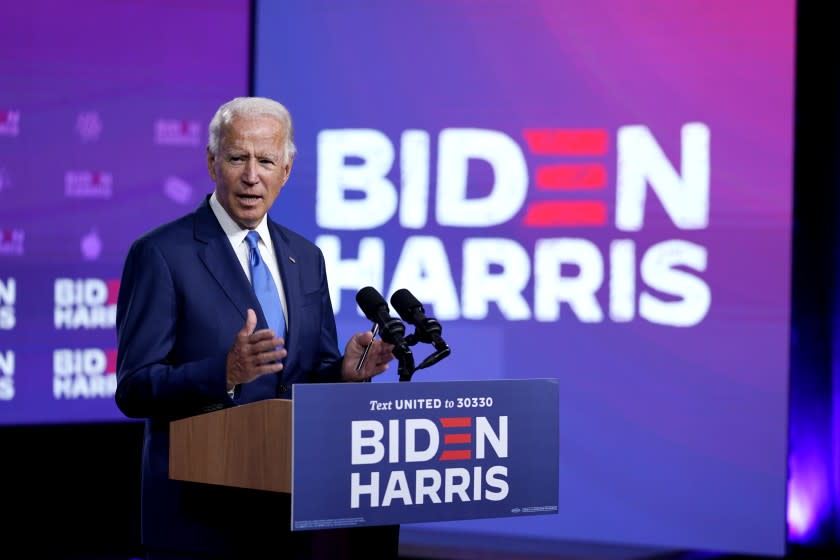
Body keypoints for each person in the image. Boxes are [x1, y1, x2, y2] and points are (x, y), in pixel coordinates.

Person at [115, 96, 397, 559]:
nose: (251, 175)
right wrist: (223, 373)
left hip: (289, 517)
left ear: (285, 170)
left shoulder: (305, 258)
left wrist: (342, 373)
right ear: (211, 162)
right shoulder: (162, 254)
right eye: (236, 158)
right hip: (198, 522)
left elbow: (303, 376)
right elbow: (134, 388)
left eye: (266, 160)